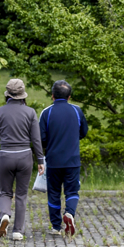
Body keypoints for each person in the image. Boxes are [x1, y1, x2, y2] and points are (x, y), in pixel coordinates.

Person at [0, 78, 44, 240]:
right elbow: (36, 139)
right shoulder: (30, 112)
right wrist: (40, 159)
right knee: (21, 194)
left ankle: (5, 214)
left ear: (7, 94)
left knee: (5, 192)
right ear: (22, 95)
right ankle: (17, 232)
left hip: (5, 155)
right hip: (24, 156)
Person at [39, 80, 88, 237]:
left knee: (53, 192)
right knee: (72, 191)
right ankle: (70, 213)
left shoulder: (47, 113)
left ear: (52, 96)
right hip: (73, 160)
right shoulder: (77, 111)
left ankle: (56, 226)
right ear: (69, 97)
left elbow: (42, 138)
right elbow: (84, 132)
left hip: (53, 161)